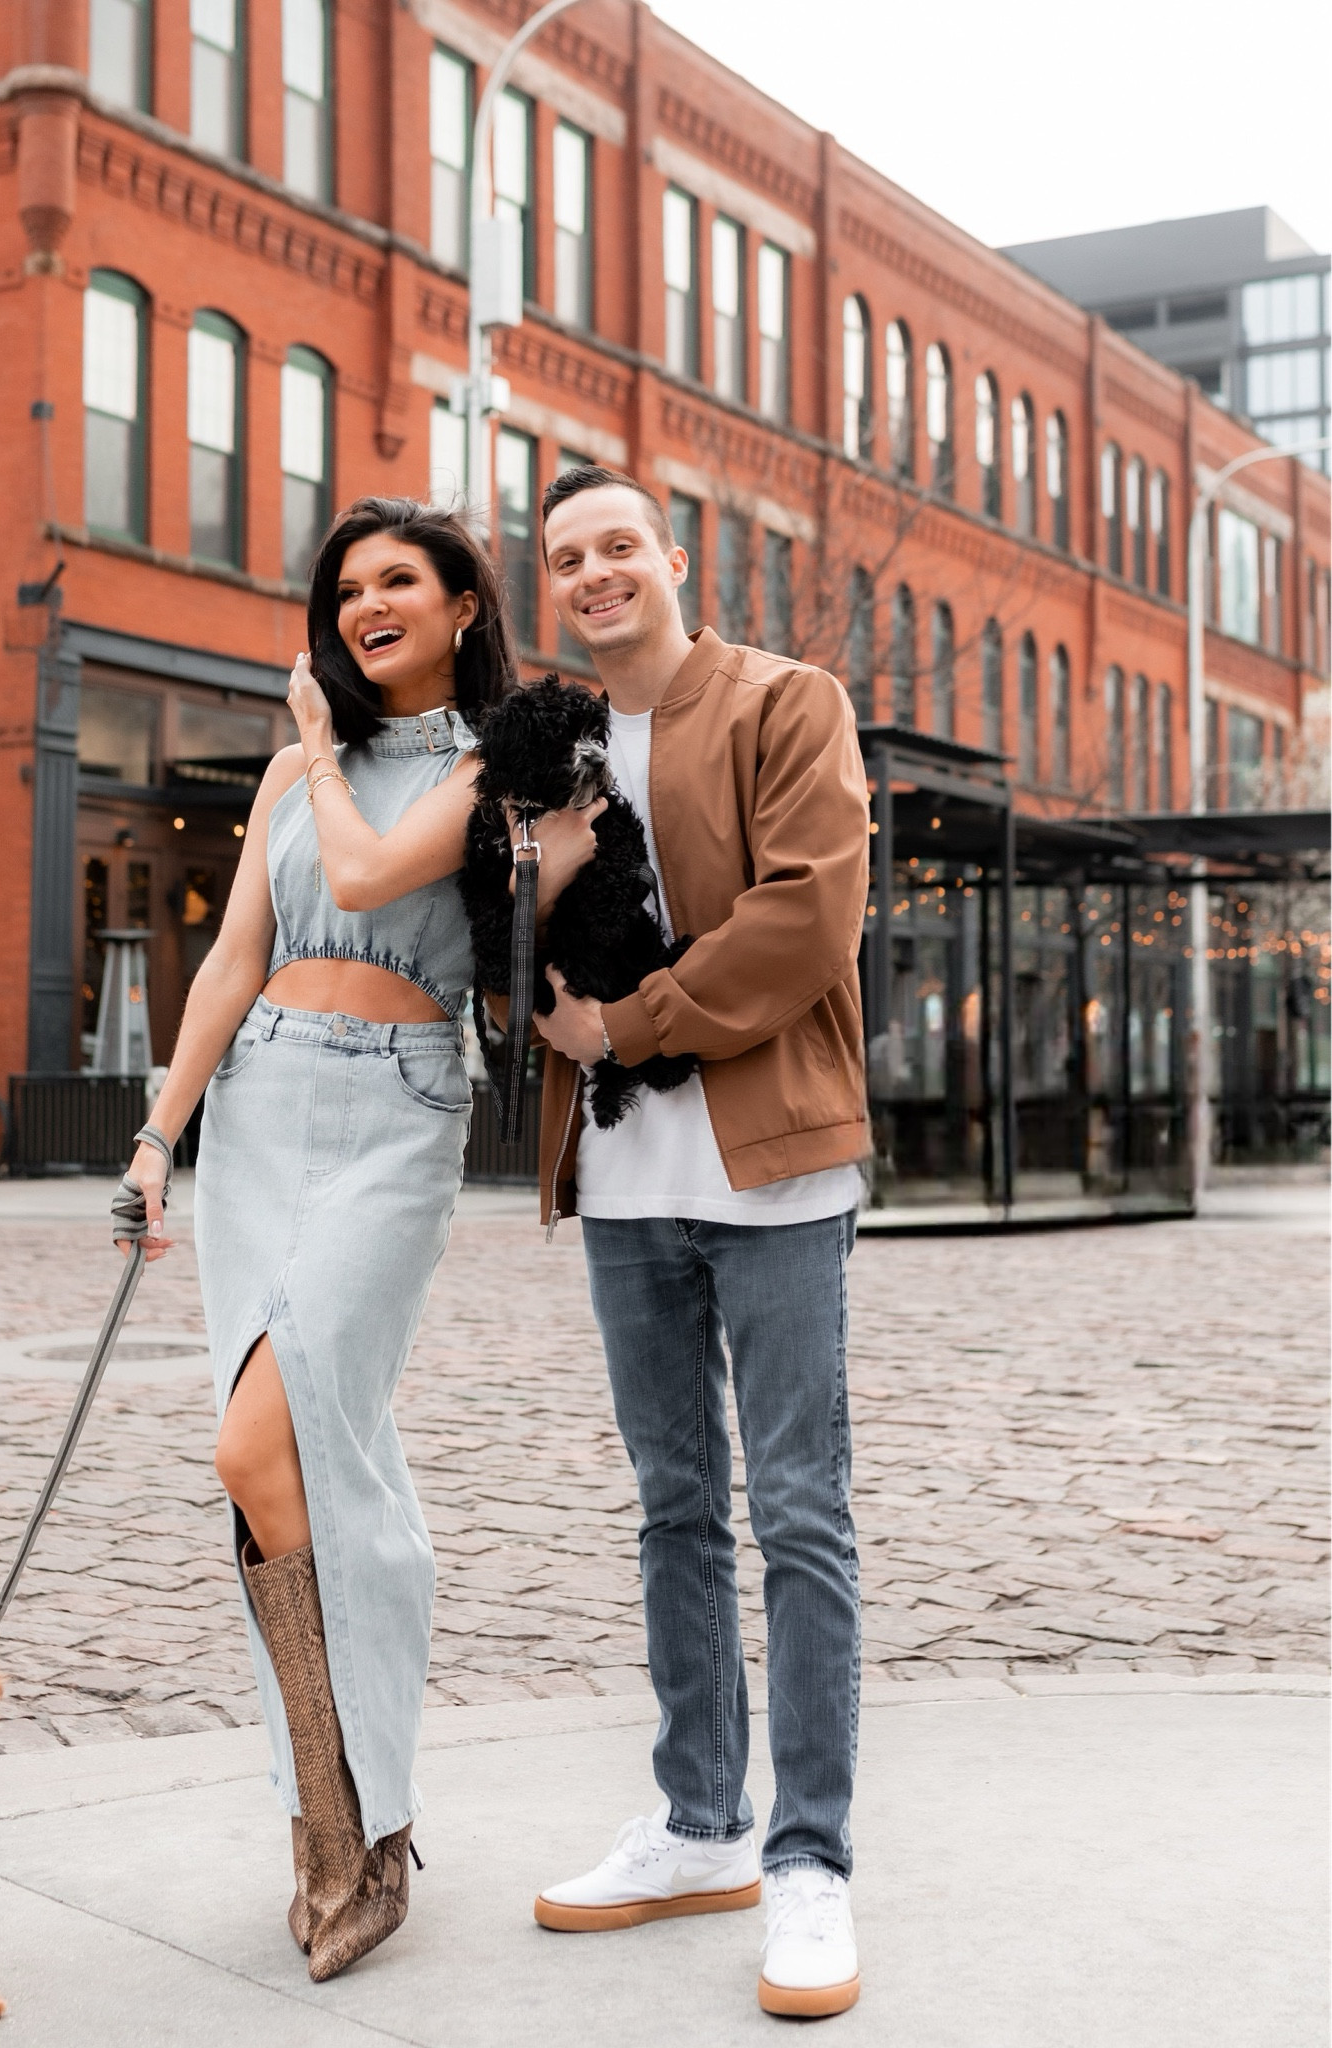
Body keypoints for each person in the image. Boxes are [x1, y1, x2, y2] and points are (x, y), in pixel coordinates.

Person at [110, 498, 571, 1982]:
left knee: (280, 1444)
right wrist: (157, 1136)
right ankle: (338, 1823)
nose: (366, 603)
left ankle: (359, 1816)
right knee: (296, 1461)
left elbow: (372, 880)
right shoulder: (298, 770)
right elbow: (235, 957)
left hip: (395, 1112)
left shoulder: (491, 758)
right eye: (347, 586)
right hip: (260, 1112)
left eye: (398, 582)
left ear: (456, 610)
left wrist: (312, 745)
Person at [522, 466, 871, 2019]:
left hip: (775, 1168)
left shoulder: (791, 703)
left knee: (796, 1515)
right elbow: (503, 922)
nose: (596, 574)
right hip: (624, 1178)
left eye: (618, 548)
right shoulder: (554, 746)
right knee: (674, 1510)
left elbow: (805, 920)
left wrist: (629, 1024)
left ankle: (807, 1869)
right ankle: (696, 1823)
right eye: (566, 560)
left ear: (673, 560)